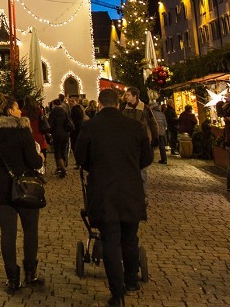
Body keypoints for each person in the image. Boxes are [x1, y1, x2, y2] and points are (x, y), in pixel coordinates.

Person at [74, 88, 153, 306]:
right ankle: (131, 282)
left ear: (99, 104)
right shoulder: (134, 127)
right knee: (130, 238)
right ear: (118, 104)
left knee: (110, 240)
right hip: (130, 191)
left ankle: (116, 294)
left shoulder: (90, 126)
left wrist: (96, 168)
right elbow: (147, 158)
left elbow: (81, 157)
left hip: (103, 191)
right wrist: (129, 167)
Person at [0, 97, 45, 294]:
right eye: (17, 108)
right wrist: (40, 157)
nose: (20, 111)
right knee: (30, 230)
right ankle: (30, 274)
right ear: (9, 111)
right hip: (25, 187)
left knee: (8, 234)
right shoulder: (22, 131)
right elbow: (34, 162)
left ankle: (12, 279)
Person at [22, 96, 50, 175]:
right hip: (39, 135)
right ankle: (42, 171)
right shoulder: (38, 110)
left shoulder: (23, 111)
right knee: (41, 153)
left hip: (29, 135)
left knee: (30, 154)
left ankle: (32, 171)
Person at [47, 98, 71, 178]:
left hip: (57, 134)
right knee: (63, 150)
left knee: (57, 152)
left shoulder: (53, 112)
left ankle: (62, 168)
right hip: (65, 134)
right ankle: (61, 167)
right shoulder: (65, 111)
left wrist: (50, 132)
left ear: (53, 104)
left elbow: (50, 124)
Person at [68, 95, 86, 167]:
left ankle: (79, 162)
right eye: (70, 101)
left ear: (76, 101)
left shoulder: (75, 109)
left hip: (76, 130)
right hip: (77, 130)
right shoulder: (77, 108)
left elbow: (75, 121)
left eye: (72, 101)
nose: (71, 103)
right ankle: (78, 162)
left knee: (75, 146)